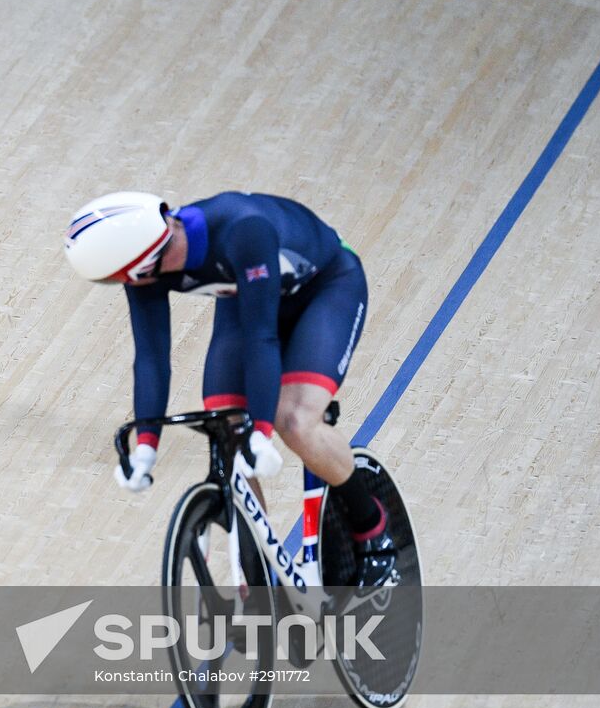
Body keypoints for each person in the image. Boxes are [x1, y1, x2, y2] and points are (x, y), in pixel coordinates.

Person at [64, 190, 396, 590]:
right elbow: (151, 357)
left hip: (325, 289)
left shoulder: (242, 228)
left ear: (140, 263)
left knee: (293, 421)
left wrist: (263, 432)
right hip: (248, 297)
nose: (118, 283)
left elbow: (262, 340)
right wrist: (146, 446)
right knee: (225, 426)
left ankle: (373, 531)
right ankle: (258, 582)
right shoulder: (146, 263)